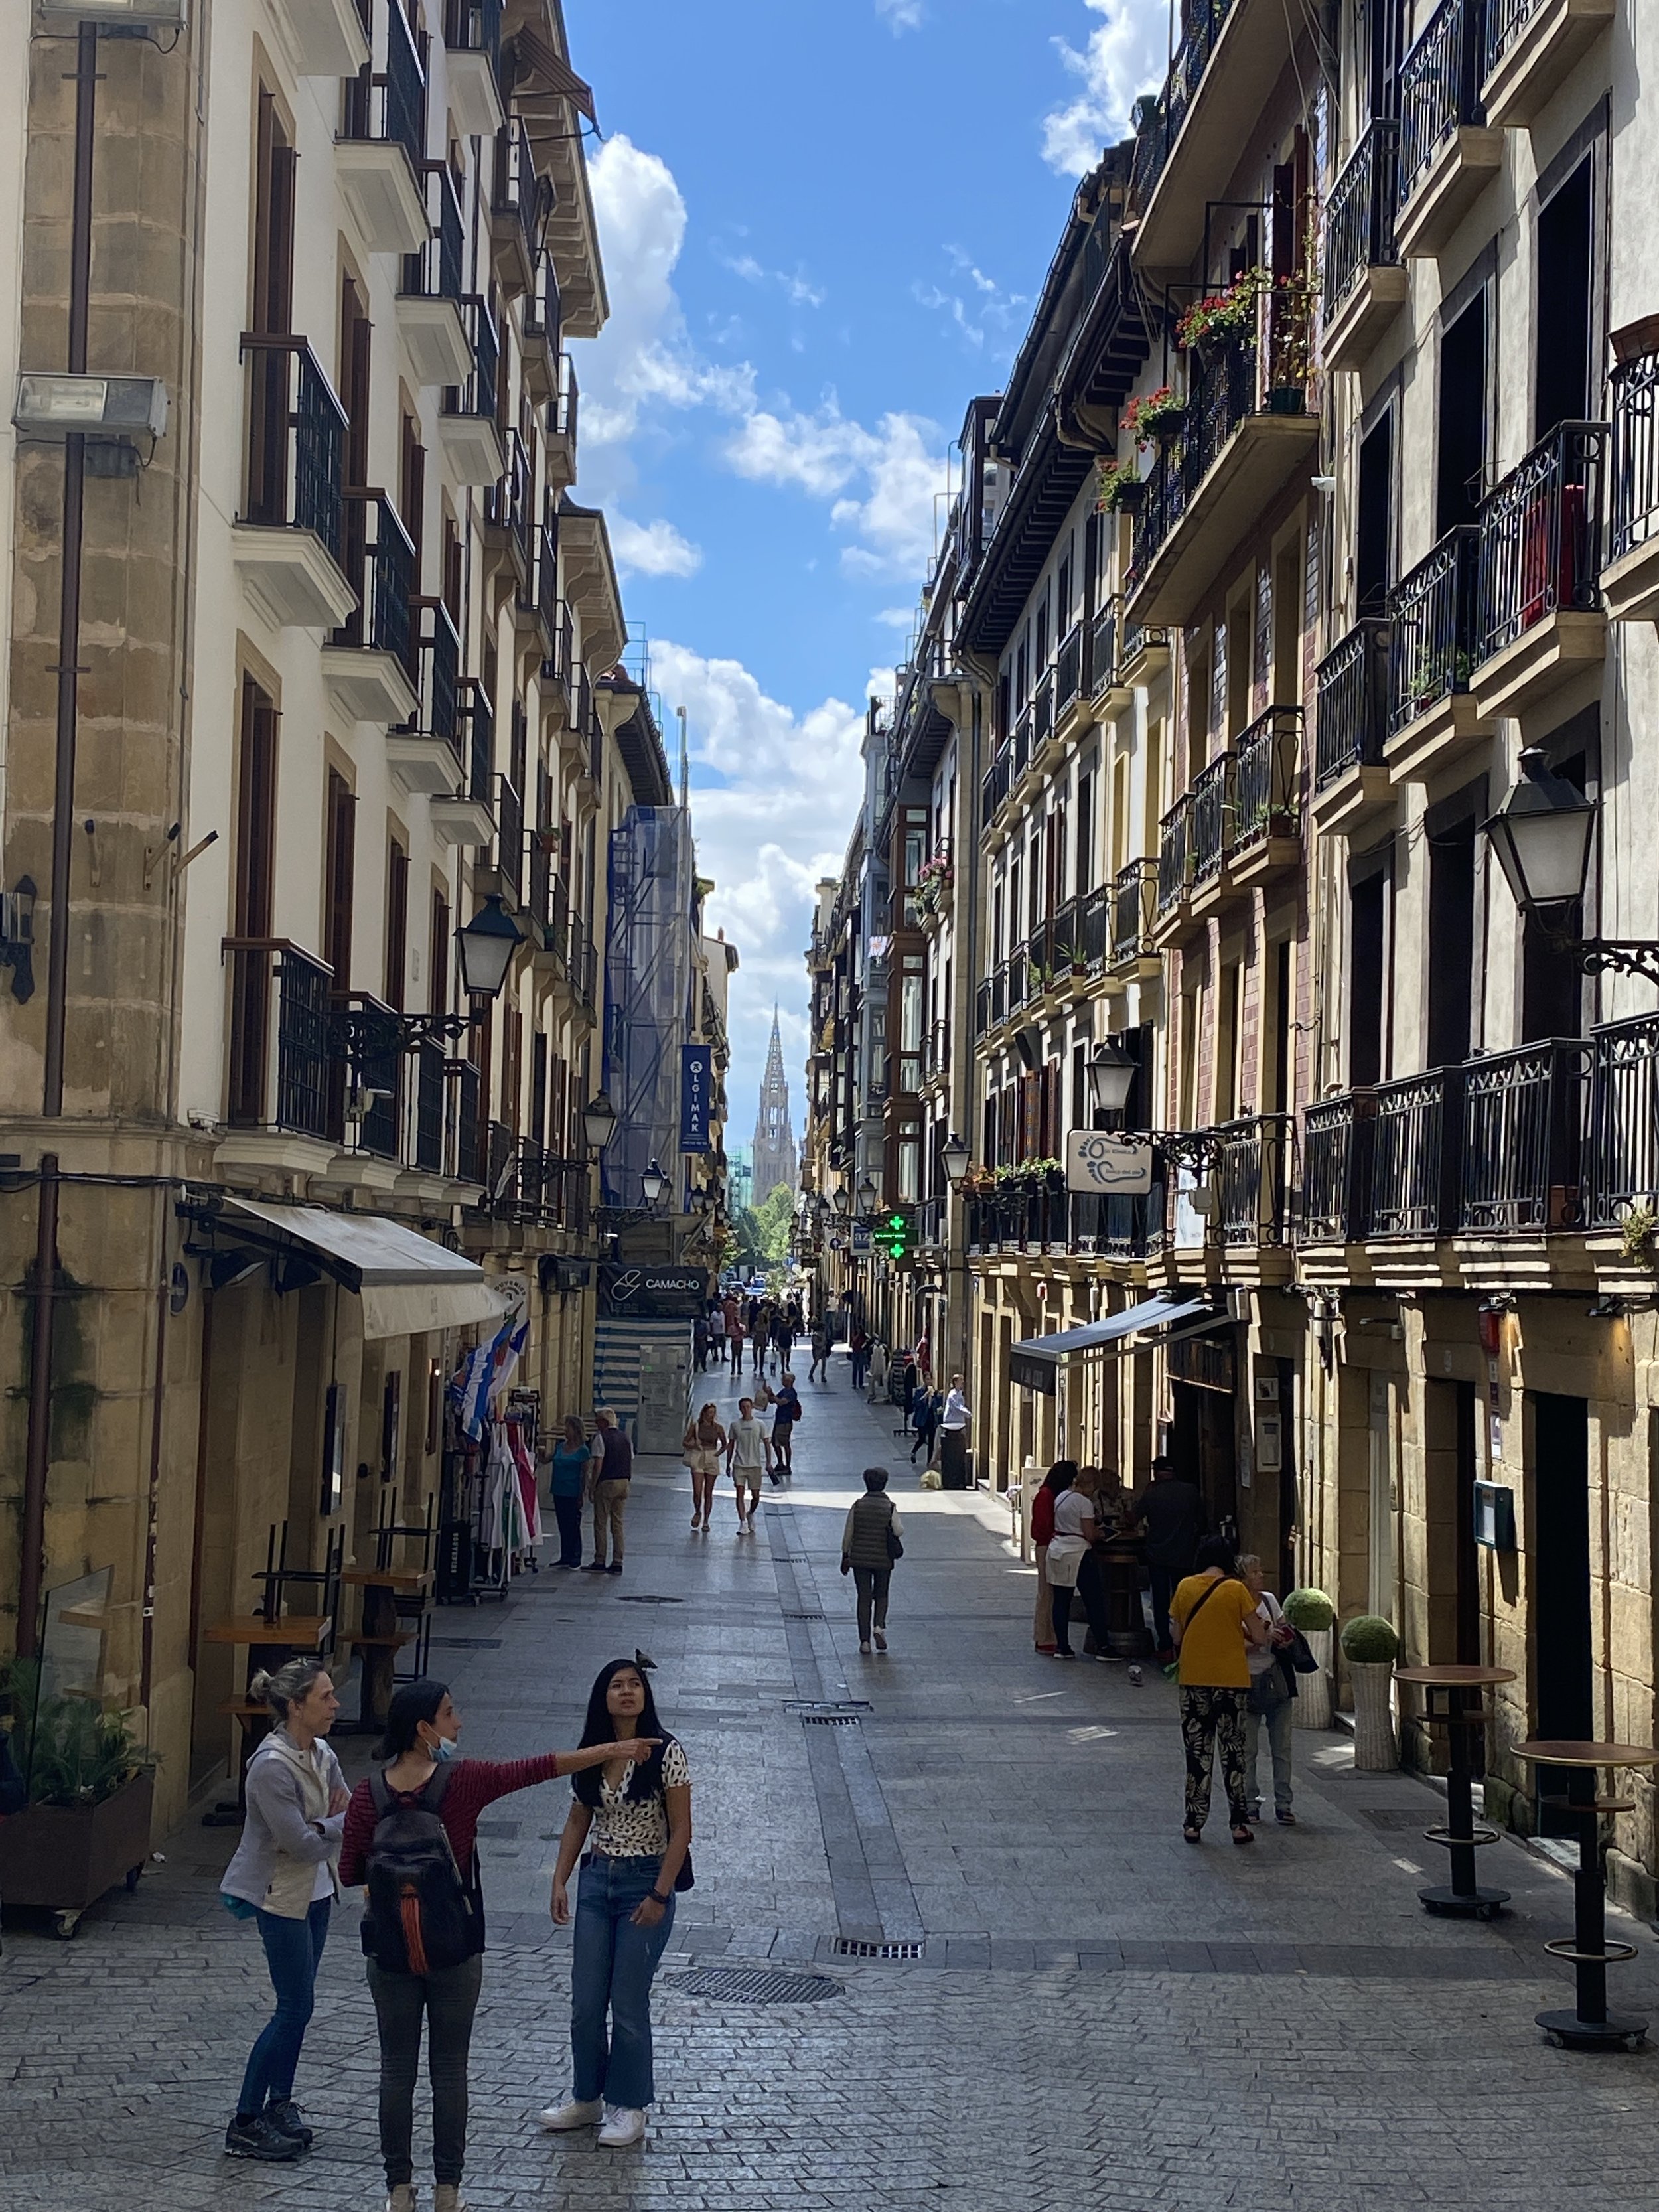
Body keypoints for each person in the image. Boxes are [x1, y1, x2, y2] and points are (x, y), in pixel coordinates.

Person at [339, 1679, 656, 2212]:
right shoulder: (463, 1781)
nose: (458, 1723)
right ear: (424, 1730)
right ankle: (448, 2190)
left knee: (396, 2067)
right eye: (449, 1714)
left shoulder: (367, 1794)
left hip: (390, 1951)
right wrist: (611, 1751)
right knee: (449, 2066)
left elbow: (351, 1871)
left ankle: (399, 2190)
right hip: (454, 1948)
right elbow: (538, 1767)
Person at [542, 1659, 693, 2150]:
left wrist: (660, 1893)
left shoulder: (665, 1752)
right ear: (602, 1697)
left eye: (635, 1684)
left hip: (644, 1880)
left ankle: (630, 2104)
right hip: (597, 1879)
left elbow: (682, 1828)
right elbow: (576, 1820)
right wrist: (560, 1879)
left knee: (628, 2001)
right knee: (586, 2001)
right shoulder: (594, 1753)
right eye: (616, 1685)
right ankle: (587, 2095)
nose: (627, 1692)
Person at [220, 1658, 350, 2163]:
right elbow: (297, 1842)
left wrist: (327, 1822)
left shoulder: (321, 1752)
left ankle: (280, 2104)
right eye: (325, 1697)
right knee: (294, 2006)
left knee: (301, 2005)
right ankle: (246, 2119)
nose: (336, 1704)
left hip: (317, 1893)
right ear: (295, 1706)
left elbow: (349, 1808)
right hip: (281, 1896)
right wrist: (330, 1823)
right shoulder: (272, 1766)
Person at [1170, 1535, 1271, 1846]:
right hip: (1231, 1681)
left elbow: (1176, 1636)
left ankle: (1193, 1824)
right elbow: (1259, 1636)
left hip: (1194, 1680)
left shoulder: (1185, 1587)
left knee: (1197, 1753)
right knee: (1234, 1754)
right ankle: (1239, 1824)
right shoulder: (1236, 1590)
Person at [1239, 1554, 1297, 1825]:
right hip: (1246, 1681)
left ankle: (1284, 1804)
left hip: (1276, 1681)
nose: (1261, 1576)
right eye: (1254, 1572)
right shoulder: (1235, 1603)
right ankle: (1250, 1804)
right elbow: (1230, 1644)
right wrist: (1258, 1640)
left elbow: (1286, 1629)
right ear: (1242, 1578)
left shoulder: (1269, 1601)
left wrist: (1283, 1637)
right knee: (1247, 1750)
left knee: (1282, 1747)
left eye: (1260, 1570)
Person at [1130, 1453, 1203, 1660]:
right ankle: (1186, 1641)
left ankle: (1164, 1644)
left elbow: (1133, 1519)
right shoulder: (1191, 1491)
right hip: (1185, 1554)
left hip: (1158, 1555)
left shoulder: (1152, 1494)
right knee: (1185, 1599)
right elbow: (1201, 1520)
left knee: (1160, 1602)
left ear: (1156, 1473)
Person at [1045, 1468, 1114, 1661]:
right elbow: (1090, 1535)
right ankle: (1103, 1646)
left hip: (1058, 1550)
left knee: (1061, 1600)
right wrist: (1100, 1533)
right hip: (1079, 1553)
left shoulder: (1061, 1497)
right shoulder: (1084, 1503)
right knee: (1093, 1600)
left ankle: (1063, 1646)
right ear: (1091, 1484)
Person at [841, 1465, 903, 1655]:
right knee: (882, 1594)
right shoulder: (889, 1506)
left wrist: (845, 1556)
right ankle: (879, 1626)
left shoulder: (858, 1506)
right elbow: (899, 1530)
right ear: (884, 1484)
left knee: (864, 1598)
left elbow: (848, 1534)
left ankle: (865, 1642)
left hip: (859, 1559)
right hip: (883, 1558)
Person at [1031, 1462, 1072, 1654]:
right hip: (1047, 1547)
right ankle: (1043, 1637)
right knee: (1046, 1593)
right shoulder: (1046, 1495)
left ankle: (1050, 1636)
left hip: (1052, 1545)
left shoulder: (1051, 1494)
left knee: (1052, 1594)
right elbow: (1042, 1525)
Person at [585, 1408, 632, 1574]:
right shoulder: (625, 1437)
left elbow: (598, 1464)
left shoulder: (601, 1438)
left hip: (607, 1482)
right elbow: (629, 1458)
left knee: (600, 1522)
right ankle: (618, 1560)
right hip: (624, 1482)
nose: (596, 1424)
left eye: (598, 1420)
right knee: (617, 1522)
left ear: (604, 1422)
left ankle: (600, 1559)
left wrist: (593, 1485)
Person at [549, 1416, 590, 1569]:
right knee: (562, 1524)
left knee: (573, 1524)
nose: (566, 1431)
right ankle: (565, 1554)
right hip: (558, 1490)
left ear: (576, 1430)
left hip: (573, 1492)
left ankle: (575, 1555)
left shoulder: (583, 1451)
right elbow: (548, 1459)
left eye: (568, 1428)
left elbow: (584, 1474)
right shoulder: (560, 1447)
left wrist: (582, 1493)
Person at [725, 1396, 771, 1529]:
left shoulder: (760, 1425)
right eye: (743, 1407)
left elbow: (767, 1443)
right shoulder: (735, 1425)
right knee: (740, 1493)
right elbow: (731, 1445)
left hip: (755, 1465)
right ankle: (743, 1522)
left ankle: (750, 1513)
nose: (746, 1410)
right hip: (739, 1464)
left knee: (755, 1496)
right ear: (740, 1409)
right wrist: (728, 1464)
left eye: (748, 1407)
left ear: (752, 1408)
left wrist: (769, 1463)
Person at [681, 1403, 727, 1532]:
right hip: (698, 1456)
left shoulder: (718, 1428)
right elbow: (685, 1442)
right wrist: (693, 1445)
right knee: (697, 1490)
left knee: (708, 1491)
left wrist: (718, 1454)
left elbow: (724, 1444)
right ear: (704, 1413)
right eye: (710, 1413)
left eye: (714, 1412)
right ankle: (697, 1511)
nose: (712, 1415)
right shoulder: (696, 1426)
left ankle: (706, 1520)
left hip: (712, 1456)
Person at [938, 1373, 971, 1488]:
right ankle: (951, 1480)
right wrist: (968, 1414)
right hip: (951, 1424)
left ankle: (957, 1479)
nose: (963, 1382)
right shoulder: (953, 1394)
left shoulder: (959, 1393)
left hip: (958, 1424)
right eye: (960, 1380)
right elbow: (957, 1407)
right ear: (955, 1382)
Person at [770, 1372, 802, 1479]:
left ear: (789, 1381)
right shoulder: (784, 1391)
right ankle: (781, 1463)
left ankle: (786, 1465)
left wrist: (773, 1397)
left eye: (784, 1379)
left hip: (785, 1421)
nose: (782, 1381)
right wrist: (770, 1395)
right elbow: (774, 1400)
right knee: (775, 1442)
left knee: (783, 1443)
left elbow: (781, 1402)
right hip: (780, 1420)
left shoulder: (791, 1393)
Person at [910, 1382, 942, 1467]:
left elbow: (938, 1406)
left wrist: (938, 1396)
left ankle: (929, 1462)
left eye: (931, 1379)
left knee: (931, 1441)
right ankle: (914, 1452)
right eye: (927, 1379)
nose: (929, 1381)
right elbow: (916, 1403)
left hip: (931, 1420)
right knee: (922, 1439)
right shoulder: (920, 1391)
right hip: (922, 1419)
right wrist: (925, 1396)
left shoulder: (934, 1393)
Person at [722, 1293, 744, 1371]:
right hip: (736, 1342)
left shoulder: (740, 1326)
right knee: (735, 1356)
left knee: (737, 1356)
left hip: (737, 1341)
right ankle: (734, 1370)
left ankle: (738, 1370)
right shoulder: (733, 1305)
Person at [808, 1316, 830, 1384]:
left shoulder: (822, 1334)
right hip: (817, 1351)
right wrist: (823, 1344)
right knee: (815, 1363)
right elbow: (816, 1343)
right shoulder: (816, 1335)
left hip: (823, 1350)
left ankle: (823, 1376)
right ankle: (811, 1374)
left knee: (824, 1364)